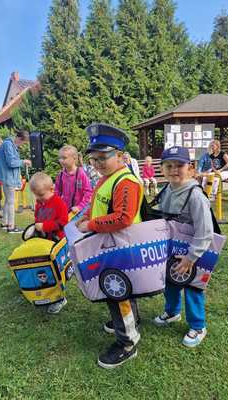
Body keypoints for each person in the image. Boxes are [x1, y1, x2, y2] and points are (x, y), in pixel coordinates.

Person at [76, 123, 143, 369]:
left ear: (121, 155)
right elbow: (102, 204)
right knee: (121, 289)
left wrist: (91, 224)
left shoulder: (126, 181)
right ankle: (130, 321)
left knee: (117, 291)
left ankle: (127, 343)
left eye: (104, 157)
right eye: (94, 158)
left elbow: (123, 217)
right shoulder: (109, 177)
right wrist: (87, 216)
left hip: (121, 247)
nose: (98, 163)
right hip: (112, 245)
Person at [153, 146, 213, 348]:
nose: (174, 170)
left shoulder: (196, 196)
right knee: (170, 282)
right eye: (169, 166)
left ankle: (198, 325)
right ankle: (172, 312)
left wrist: (191, 257)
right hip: (172, 249)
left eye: (180, 165)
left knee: (192, 286)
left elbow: (205, 231)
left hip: (193, 253)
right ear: (162, 169)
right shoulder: (167, 190)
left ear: (191, 168)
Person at [29, 172, 68, 314]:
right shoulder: (40, 203)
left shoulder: (59, 203)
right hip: (43, 241)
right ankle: (44, 290)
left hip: (56, 242)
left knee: (56, 271)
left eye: (41, 195)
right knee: (44, 270)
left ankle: (60, 298)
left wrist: (44, 226)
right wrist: (36, 227)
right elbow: (37, 218)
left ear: (52, 189)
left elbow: (63, 222)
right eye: (37, 196)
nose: (39, 199)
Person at [0, 130, 31, 233]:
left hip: (7, 176)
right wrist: (24, 161)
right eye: (23, 143)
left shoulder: (10, 144)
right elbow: (11, 163)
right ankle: (11, 227)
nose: (22, 145)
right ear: (19, 138)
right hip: (8, 177)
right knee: (11, 202)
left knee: (7, 201)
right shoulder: (8, 145)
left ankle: (4, 223)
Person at [55, 145, 92, 214]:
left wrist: (80, 207)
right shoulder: (60, 175)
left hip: (78, 212)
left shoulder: (81, 174)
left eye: (64, 158)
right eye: (60, 158)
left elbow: (88, 192)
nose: (61, 160)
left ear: (74, 158)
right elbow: (57, 191)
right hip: (64, 209)